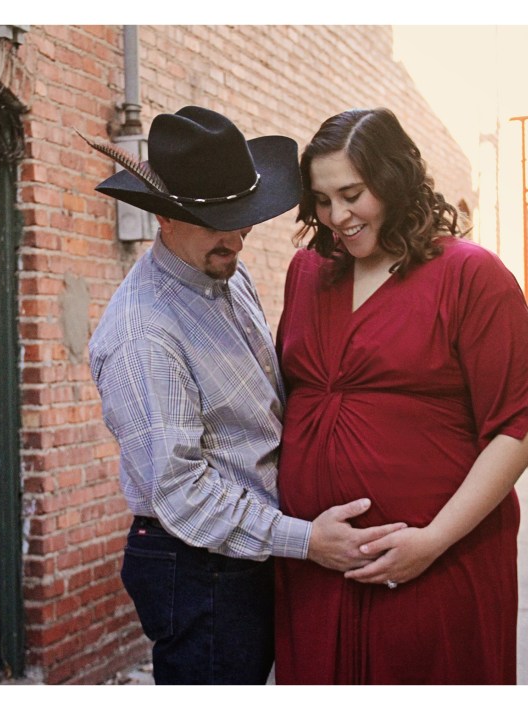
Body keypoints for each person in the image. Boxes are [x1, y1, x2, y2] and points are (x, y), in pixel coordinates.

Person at [85, 106, 404, 685]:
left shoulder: (226, 271)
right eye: (216, 224)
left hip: (250, 550)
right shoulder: (143, 337)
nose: (235, 239)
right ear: (165, 218)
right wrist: (307, 541)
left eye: (243, 220)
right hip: (198, 567)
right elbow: (182, 494)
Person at [273, 108, 528, 684]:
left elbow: (518, 428)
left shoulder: (471, 275)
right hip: (316, 570)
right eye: (322, 200)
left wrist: (431, 541)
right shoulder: (307, 272)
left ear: (394, 179)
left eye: (352, 194)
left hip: (438, 562)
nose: (337, 216)